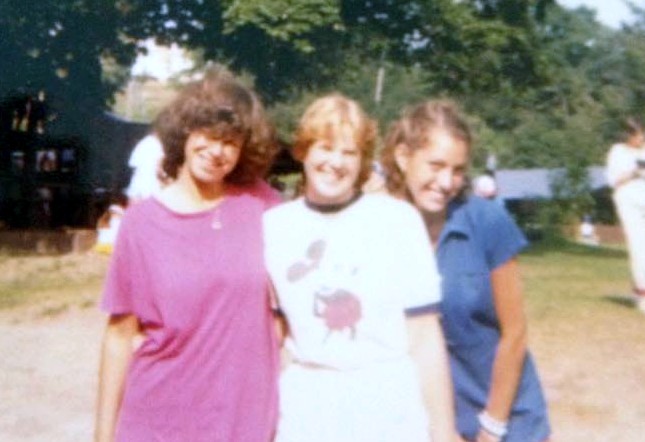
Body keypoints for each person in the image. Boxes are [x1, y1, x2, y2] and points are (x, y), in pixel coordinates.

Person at [94, 68, 280, 442]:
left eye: (230, 142)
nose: (216, 151)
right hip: (159, 422)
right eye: (207, 134)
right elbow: (119, 336)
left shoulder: (262, 205)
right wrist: (102, 436)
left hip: (243, 422)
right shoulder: (141, 224)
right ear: (185, 132)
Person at [263, 94, 455, 442]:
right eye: (325, 148)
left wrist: (443, 432)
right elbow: (278, 335)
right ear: (304, 151)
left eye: (349, 152)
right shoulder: (274, 227)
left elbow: (425, 336)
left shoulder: (397, 221)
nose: (335, 162)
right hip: (307, 409)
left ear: (363, 161)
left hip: (386, 407)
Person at [382, 100, 551, 442]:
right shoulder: (380, 229)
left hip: (507, 418)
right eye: (435, 166)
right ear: (403, 157)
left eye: (457, 170)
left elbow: (515, 333)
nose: (446, 182)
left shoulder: (487, 222)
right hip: (427, 422)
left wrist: (492, 426)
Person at [606, 118, 645, 312]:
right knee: (638, 246)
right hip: (628, 201)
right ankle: (642, 293)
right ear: (628, 136)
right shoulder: (617, 152)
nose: (641, 140)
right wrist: (634, 173)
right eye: (638, 137)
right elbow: (614, 181)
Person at [125, 132, 166, 202]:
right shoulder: (159, 145)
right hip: (152, 188)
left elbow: (133, 164)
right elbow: (159, 168)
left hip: (137, 187)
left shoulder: (143, 142)